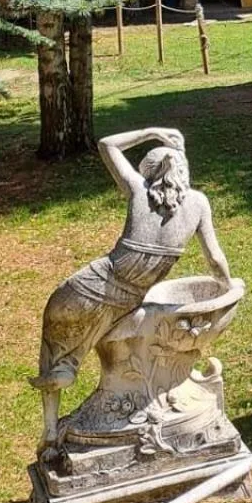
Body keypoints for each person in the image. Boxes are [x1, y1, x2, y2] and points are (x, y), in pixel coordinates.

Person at [31, 127, 231, 453]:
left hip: (90, 285)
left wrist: (153, 132)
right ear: (183, 170)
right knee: (83, 339)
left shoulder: (139, 190)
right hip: (128, 298)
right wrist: (229, 286)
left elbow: (106, 144)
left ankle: (51, 430)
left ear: (150, 174)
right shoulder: (198, 204)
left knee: (53, 353)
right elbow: (216, 259)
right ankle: (69, 373)